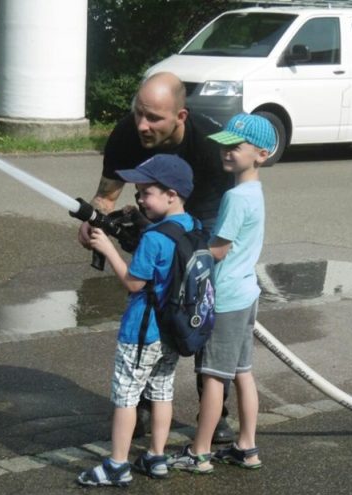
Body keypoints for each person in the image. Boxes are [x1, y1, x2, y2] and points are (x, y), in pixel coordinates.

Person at [78, 71, 235, 443]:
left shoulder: (214, 140)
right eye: (138, 113)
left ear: (181, 117)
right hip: (156, 209)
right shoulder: (125, 133)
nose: (142, 125)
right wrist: (94, 219)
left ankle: (216, 412)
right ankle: (147, 404)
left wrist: (188, 260)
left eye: (153, 118)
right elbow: (107, 194)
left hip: (206, 214)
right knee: (154, 302)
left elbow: (226, 217)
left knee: (198, 305)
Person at [77, 154, 196, 487]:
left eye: (145, 192)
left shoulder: (154, 239)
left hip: (141, 332)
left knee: (126, 397)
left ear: (171, 194)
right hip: (173, 330)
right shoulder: (193, 226)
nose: (139, 199)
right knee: (161, 392)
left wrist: (109, 249)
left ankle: (117, 464)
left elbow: (133, 283)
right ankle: (156, 456)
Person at [167, 113, 275, 474]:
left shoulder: (235, 197)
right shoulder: (255, 192)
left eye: (236, 147)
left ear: (261, 154)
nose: (226, 152)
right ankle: (247, 446)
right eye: (224, 145)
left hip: (226, 297)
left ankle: (199, 452)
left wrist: (184, 249)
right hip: (247, 293)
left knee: (213, 375)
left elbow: (218, 249)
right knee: (243, 371)